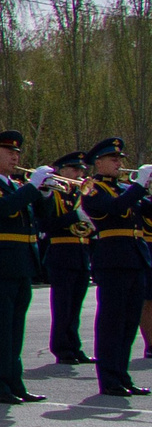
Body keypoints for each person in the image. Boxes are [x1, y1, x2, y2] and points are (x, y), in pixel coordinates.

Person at [77, 138, 147, 397]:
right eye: (114, 159)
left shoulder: (123, 188)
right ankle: (109, 379)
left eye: (120, 159)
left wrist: (142, 189)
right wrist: (139, 186)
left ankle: (122, 375)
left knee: (129, 323)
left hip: (135, 259)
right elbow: (114, 210)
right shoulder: (93, 188)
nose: (119, 163)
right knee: (112, 322)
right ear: (98, 162)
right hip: (113, 260)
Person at [41, 153, 94, 364]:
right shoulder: (52, 194)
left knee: (75, 307)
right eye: (74, 170)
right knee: (63, 306)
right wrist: (75, 216)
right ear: (61, 170)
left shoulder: (79, 195)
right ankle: (62, 348)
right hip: (61, 254)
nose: (79, 174)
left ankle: (74, 346)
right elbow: (46, 224)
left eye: (81, 170)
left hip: (81, 254)